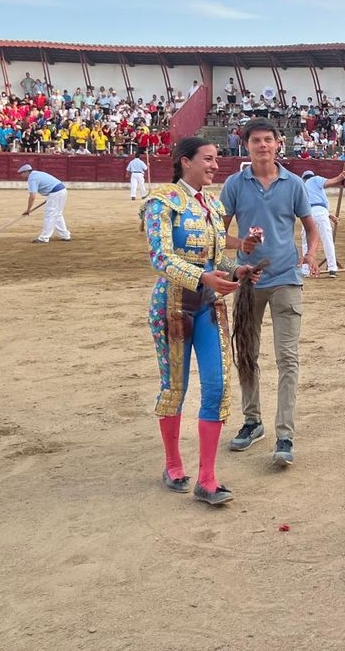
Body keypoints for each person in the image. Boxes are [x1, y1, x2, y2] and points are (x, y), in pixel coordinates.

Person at [143, 137, 261, 505]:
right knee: (174, 386)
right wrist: (202, 278)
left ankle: (207, 479)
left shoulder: (211, 203)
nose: (215, 165)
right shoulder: (161, 201)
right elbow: (160, 258)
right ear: (184, 162)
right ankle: (173, 463)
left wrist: (237, 269)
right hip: (173, 306)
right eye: (208, 159)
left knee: (216, 385)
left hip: (210, 306)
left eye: (215, 159)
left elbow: (214, 262)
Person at [220, 118, 321, 466]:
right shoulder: (234, 184)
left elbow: (310, 226)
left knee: (287, 359)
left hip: (286, 277)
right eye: (255, 141)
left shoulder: (293, 184)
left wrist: (310, 253)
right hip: (248, 279)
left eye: (268, 140)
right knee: (247, 352)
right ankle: (252, 421)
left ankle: (285, 434)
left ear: (279, 144)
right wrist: (239, 247)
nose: (262, 145)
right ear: (245, 146)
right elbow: (217, 234)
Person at [300, 167, 345, 279]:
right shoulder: (315, 180)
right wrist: (340, 177)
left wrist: (330, 216)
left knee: (306, 241)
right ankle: (332, 268)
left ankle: (305, 270)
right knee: (327, 240)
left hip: (306, 213)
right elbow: (328, 183)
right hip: (320, 213)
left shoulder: (302, 186)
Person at [18, 163, 71, 242]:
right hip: (61, 190)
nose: (20, 176)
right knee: (57, 214)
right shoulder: (36, 174)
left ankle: (44, 237)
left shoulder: (32, 178)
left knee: (50, 214)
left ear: (26, 172)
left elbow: (32, 196)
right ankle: (65, 235)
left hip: (55, 192)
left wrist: (28, 209)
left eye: (21, 173)